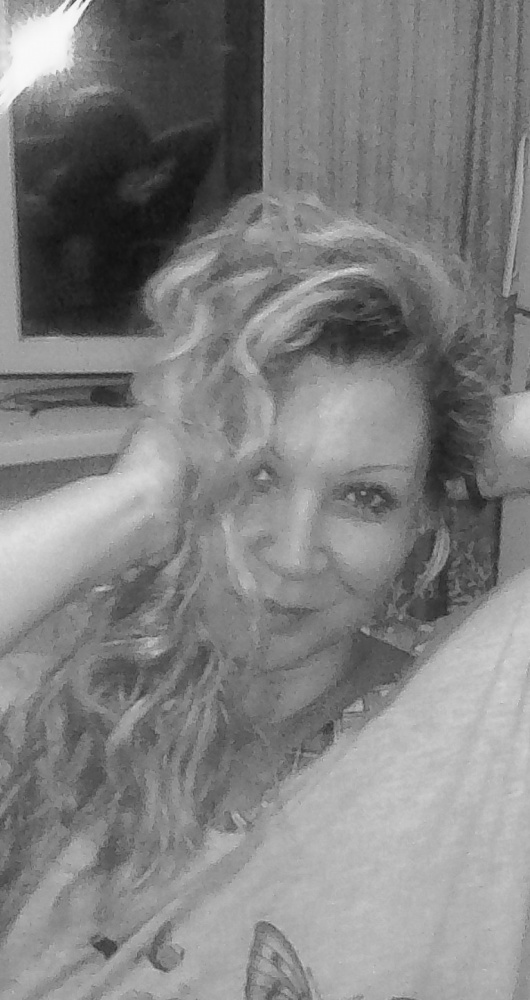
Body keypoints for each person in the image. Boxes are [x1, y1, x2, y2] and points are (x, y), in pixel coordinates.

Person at [0, 191, 528, 998]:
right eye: (256, 474)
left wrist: (481, 440)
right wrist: (131, 501)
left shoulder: (480, 720)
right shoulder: (59, 702)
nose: (292, 553)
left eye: (365, 496)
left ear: (421, 518)